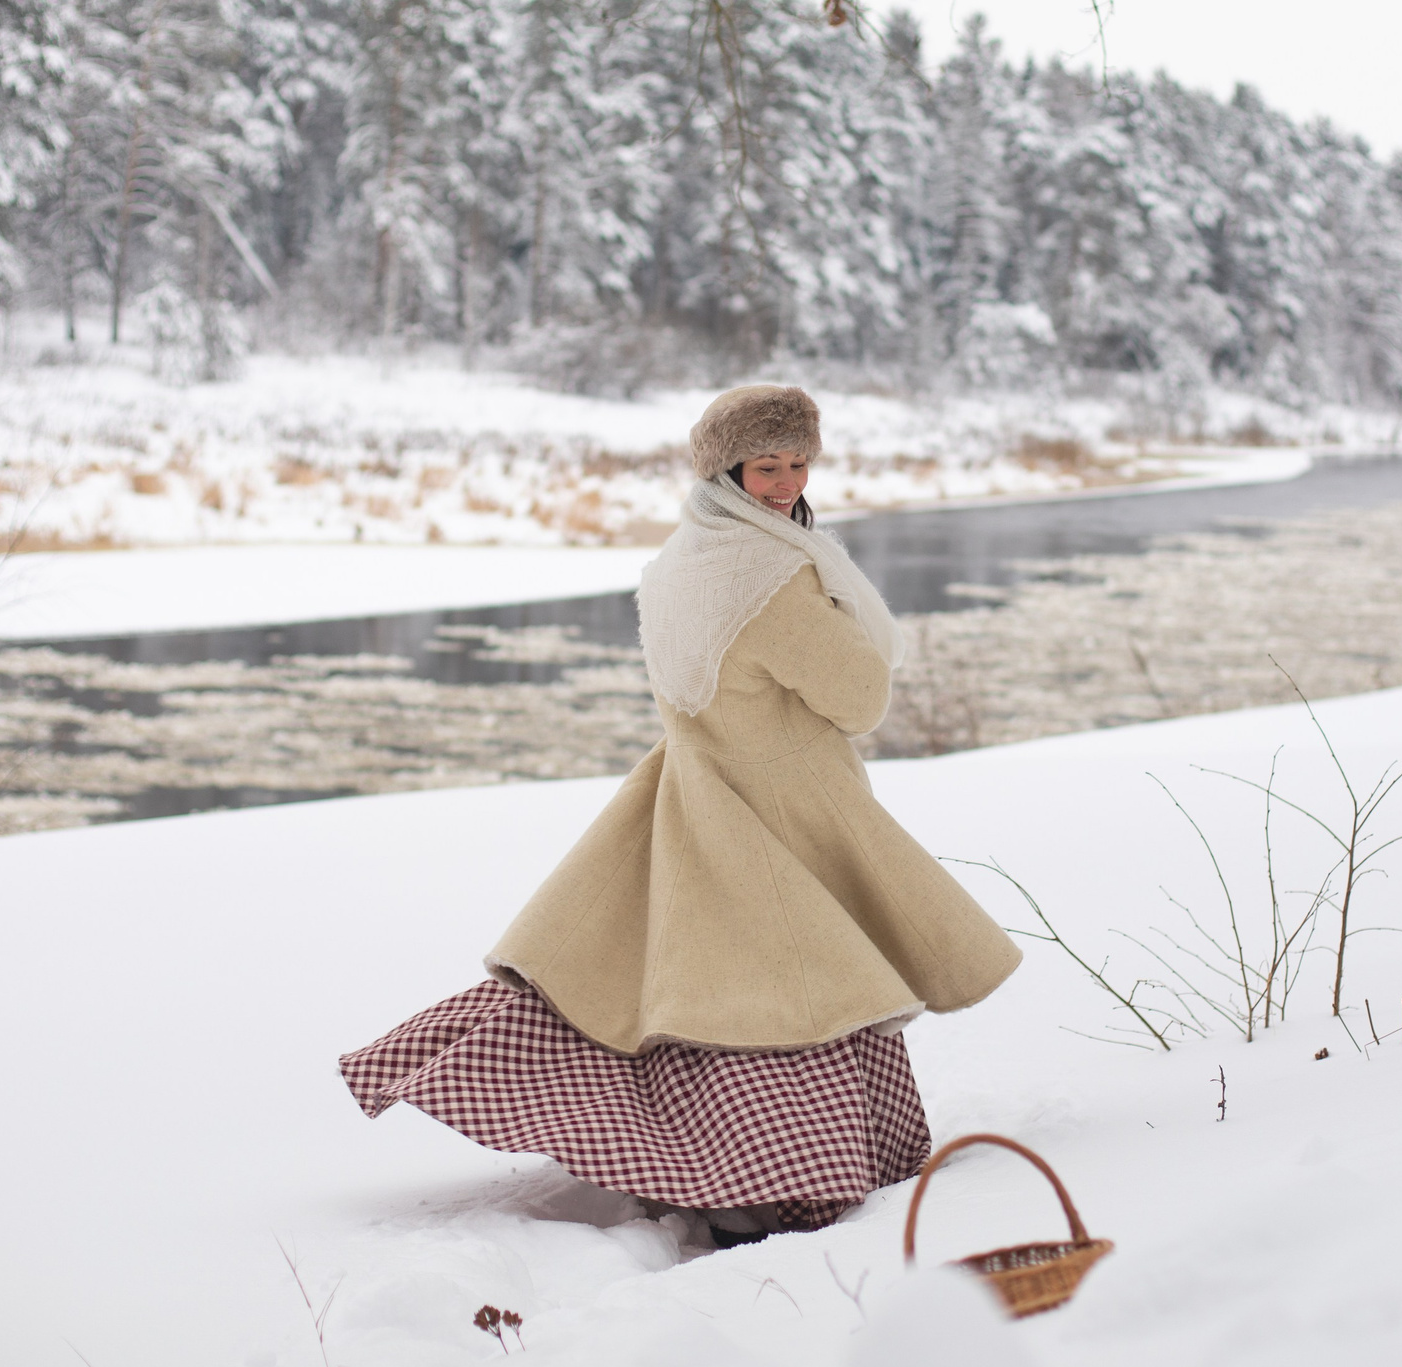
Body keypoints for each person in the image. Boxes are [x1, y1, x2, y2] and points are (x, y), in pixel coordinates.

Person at [338, 384, 1022, 1242]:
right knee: (800, 989)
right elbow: (860, 695)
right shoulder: (769, 575)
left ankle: (703, 1153)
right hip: (779, 802)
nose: (784, 482)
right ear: (727, 467)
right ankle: (789, 1171)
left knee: (683, 983)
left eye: (798, 462)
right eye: (766, 465)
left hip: (694, 790)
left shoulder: (680, 560)